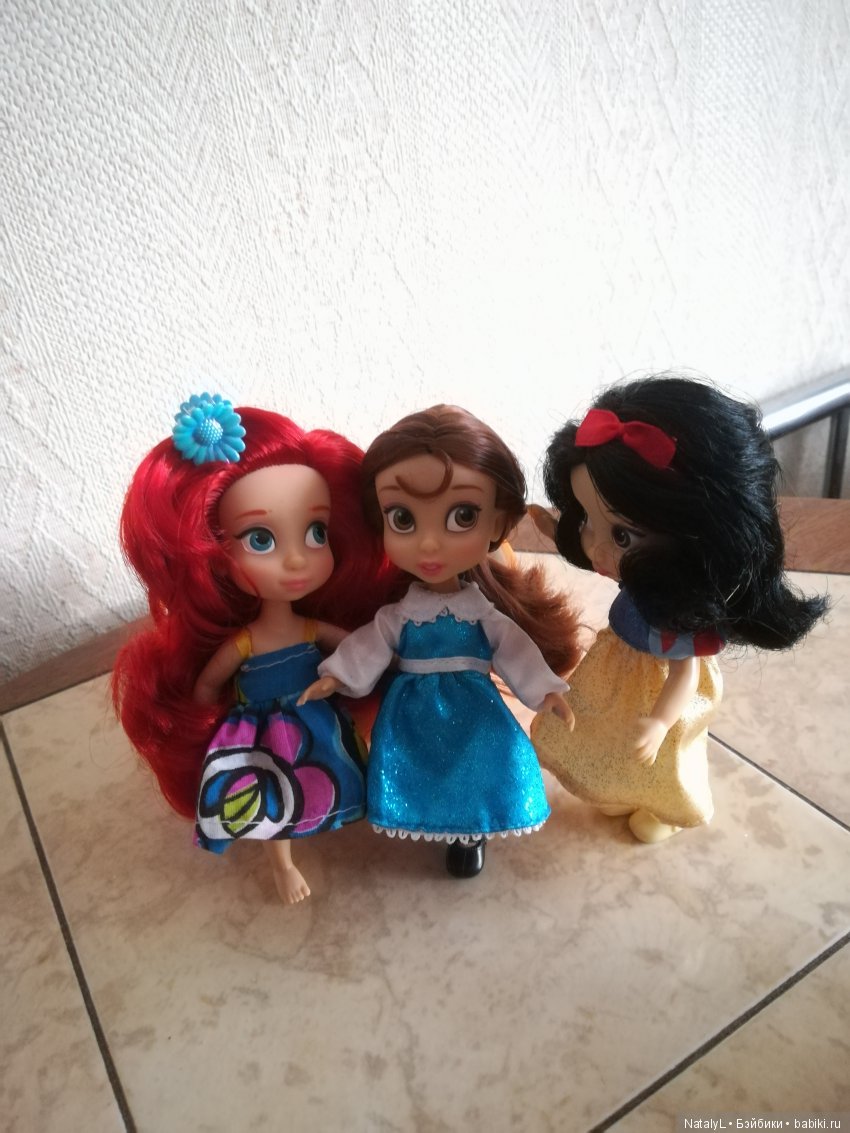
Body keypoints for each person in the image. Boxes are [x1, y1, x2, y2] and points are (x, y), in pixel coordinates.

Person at [112, 393, 398, 902]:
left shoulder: (311, 627)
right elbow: (209, 682)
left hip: (317, 714)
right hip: (262, 728)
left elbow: (359, 646)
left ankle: (353, 810)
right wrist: (201, 715)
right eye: (261, 539)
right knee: (272, 796)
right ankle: (283, 866)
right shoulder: (246, 641)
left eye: (316, 532)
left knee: (341, 766)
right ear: (213, 556)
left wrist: (388, 653)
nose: (297, 560)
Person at [530, 375, 828, 842]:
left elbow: (684, 674)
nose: (598, 549)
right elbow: (596, 549)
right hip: (617, 672)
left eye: (623, 535)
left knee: (665, 754)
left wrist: (661, 721)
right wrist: (557, 531)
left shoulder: (680, 611)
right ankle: (618, 786)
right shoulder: (641, 578)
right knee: (603, 733)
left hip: (662, 690)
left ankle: (666, 809)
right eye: (587, 519)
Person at [299, 404, 580, 877]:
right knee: (415, 768)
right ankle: (424, 819)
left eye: (462, 516)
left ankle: (470, 834)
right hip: (412, 709)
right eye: (403, 519)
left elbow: (513, 648)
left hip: (473, 705)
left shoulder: (482, 613)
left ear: (499, 524)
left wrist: (545, 690)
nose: (429, 544)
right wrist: (337, 676)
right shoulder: (398, 614)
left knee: (481, 766)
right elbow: (371, 644)